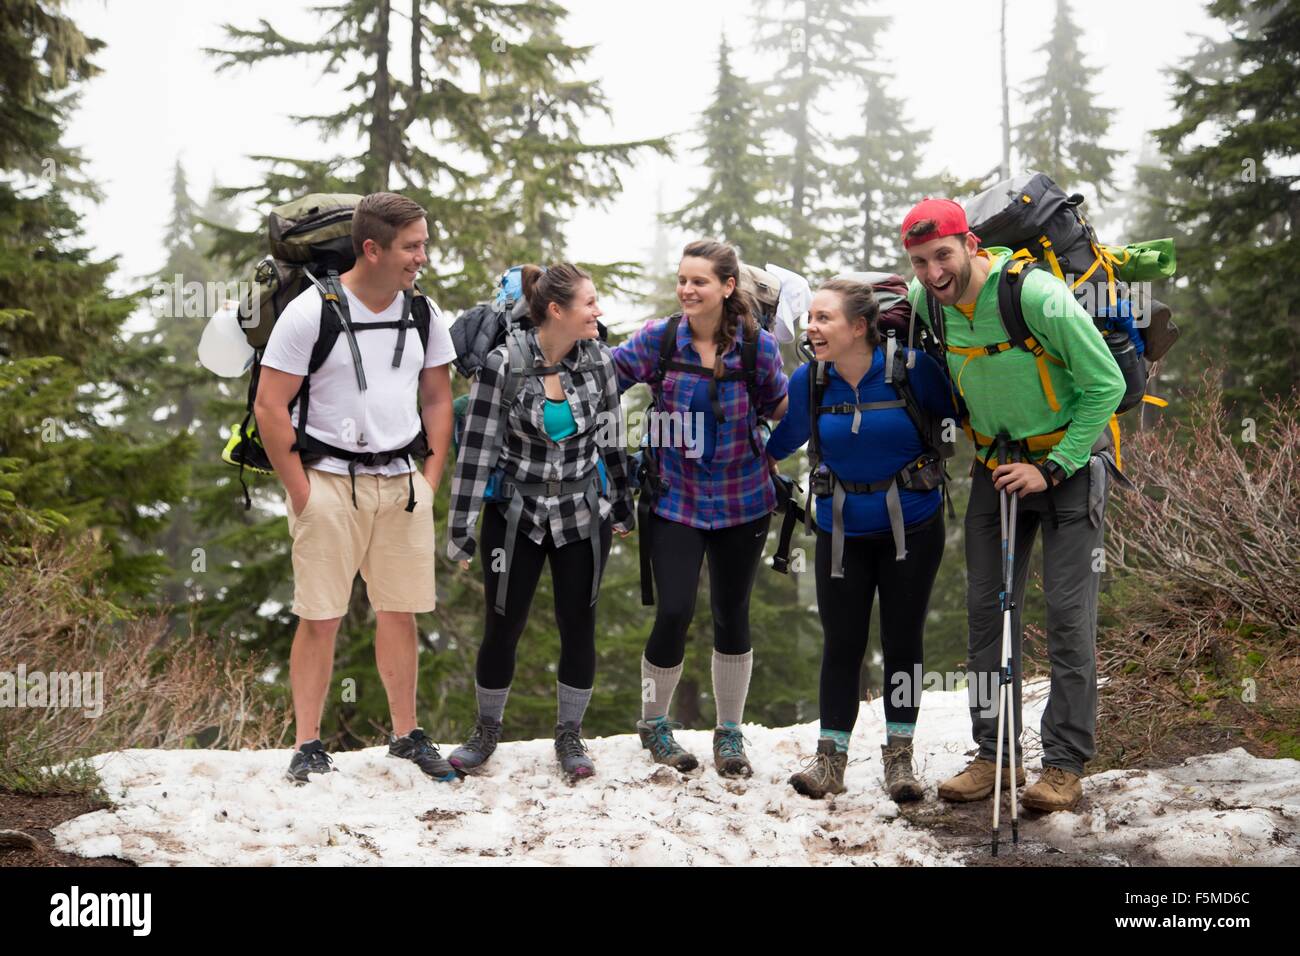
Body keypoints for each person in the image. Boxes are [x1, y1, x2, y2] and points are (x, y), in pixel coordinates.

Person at [902, 198, 1126, 812]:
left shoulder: (1037, 297)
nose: (932, 274)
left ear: (971, 244)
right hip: (995, 468)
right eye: (919, 262)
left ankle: (1063, 764)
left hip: (1069, 466)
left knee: (1066, 615)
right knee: (986, 615)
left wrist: (1053, 468)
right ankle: (995, 753)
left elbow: (1107, 382)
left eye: (942, 256)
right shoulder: (928, 304)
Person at [254, 192, 457, 784]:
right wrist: (301, 492)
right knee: (319, 616)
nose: (422, 256)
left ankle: (406, 734)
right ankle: (308, 744)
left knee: (401, 611)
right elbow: (271, 405)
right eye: (411, 246)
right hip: (326, 479)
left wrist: (430, 477)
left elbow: (438, 396)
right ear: (372, 249)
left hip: (402, 480)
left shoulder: (423, 310)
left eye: (423, 242)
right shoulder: (310, 312)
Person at [767, 278, 955, 801]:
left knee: (902, 641)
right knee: (842, 644)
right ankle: (830, 761)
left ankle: (900, 760)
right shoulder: (811, 380)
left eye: (824, 318)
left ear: (858, 327)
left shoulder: (913, 371)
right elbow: (779, 443)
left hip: (913, 527)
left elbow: (953, 427)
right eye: (811, 319)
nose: (812, 327)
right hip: (840, 530)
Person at [446, 263, 634, 781]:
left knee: (580, 627)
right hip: (515, 517)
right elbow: (477, 452)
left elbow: (612, 439)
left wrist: (622, 504)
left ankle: (570, 737)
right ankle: (486, 732)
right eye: (590, 303)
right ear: (557, 310)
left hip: (582, 514)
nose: (598, 312)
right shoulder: (502, 365)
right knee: (503, 625)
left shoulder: (599, 362)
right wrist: (459, 530)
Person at [612, 240, 789, 777]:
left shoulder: (757, 348)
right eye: (683, 280)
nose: (688, 290)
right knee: (673, 611)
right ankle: (653, 724)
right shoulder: (659, 339)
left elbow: (779, 404)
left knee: (732, 613)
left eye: (700, 282)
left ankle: (729, 733)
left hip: (745, 499)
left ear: (728, 287)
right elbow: (602, 382)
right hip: (674, 498)